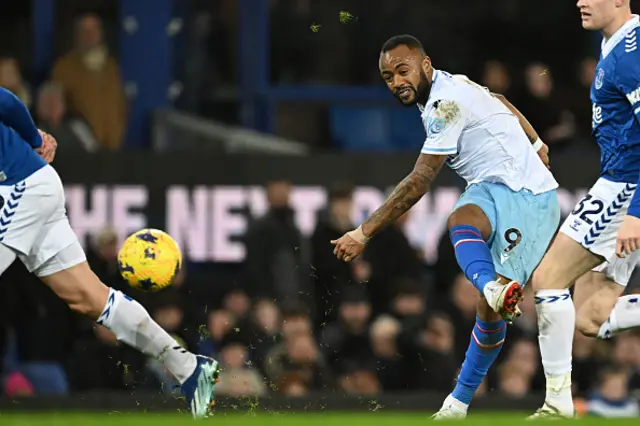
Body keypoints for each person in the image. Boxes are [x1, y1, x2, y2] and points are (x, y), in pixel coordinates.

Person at [330, 34, 560, 418]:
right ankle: (487, 293)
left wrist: (362, 232)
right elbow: (500, 102)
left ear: (425, 64)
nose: (396, 82)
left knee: (490, 317)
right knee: (460, 220)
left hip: (530, 198)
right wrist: (536, 142)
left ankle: (460, 399)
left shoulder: (444, 105)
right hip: (490, 187)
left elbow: (420, 180)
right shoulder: (456, 82)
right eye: (388, 76)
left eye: (402, 71)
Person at [0, 87, 219, 419]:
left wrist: (32, 138)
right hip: (31, 189)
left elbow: (5, 101)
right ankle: (189, 368)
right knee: (90, 298)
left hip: (19, 185)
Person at [527, 1, 640, 419]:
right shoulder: (612, 43)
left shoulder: (632, 51)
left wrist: (636, 212)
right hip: (621, 183)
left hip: (627, 187)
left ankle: (557, 404)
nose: (580, 1)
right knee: (591, 317)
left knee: (548, 279)